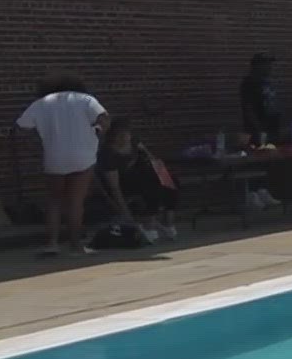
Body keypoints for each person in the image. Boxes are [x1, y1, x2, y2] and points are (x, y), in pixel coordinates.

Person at [16, 76, 109, 258]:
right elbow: (104, 118)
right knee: (75, 202)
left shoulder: (41, 103)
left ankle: (52, 243)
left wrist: (39, 143)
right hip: (83, 155)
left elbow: (21, 126)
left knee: (54, 201)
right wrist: (96, 131)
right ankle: (76, 246)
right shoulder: (86, 100)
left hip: (54, 156)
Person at [97, 116, 179, 240]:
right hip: (125, 181)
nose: (124, 138)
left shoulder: (134, 142)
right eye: (120, 135)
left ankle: (168, 220)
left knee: (170, 180)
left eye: (127, 134)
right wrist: (125, 212)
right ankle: (149, 221)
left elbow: (152, 159)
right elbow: (114, 187)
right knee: (151, 183)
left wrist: (162, 173)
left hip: (143, 176)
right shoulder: (108, 153)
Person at [239, 53, 281, 146]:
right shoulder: (249, 83)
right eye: (266, 64)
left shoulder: (268, 82)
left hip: (272, 128)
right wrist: (259, 129)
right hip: (258, 131)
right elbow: (248, 108)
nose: (270, 67)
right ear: (258, 66)